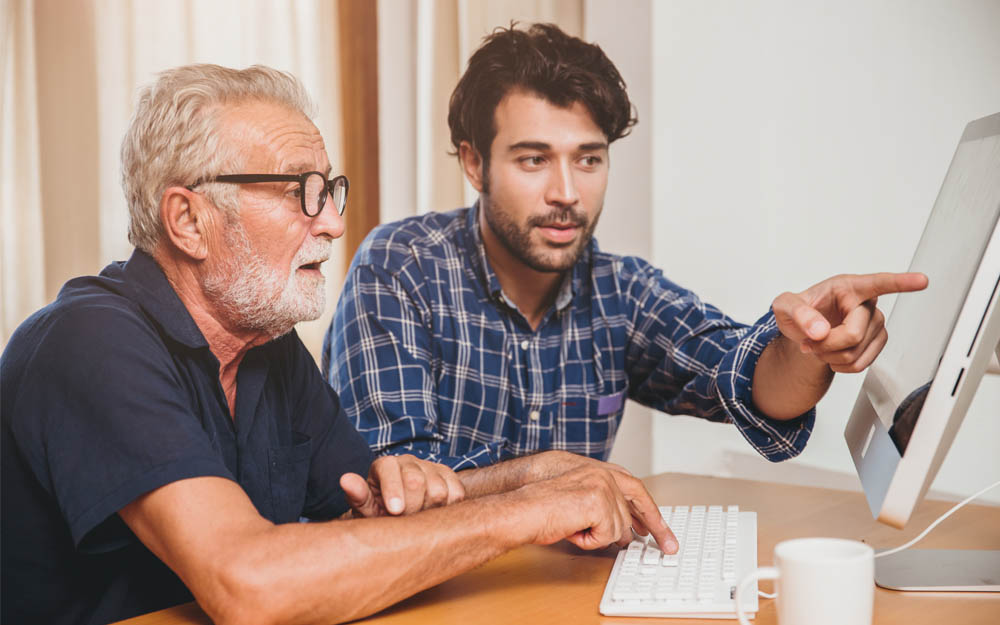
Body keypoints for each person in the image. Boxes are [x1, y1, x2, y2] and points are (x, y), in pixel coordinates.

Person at [1, 64, 675, 625]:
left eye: (330, 189)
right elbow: (250, 582)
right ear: (189, 220)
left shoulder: (265, 345)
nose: (333, 222)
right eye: (302, 192)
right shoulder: (89, 341)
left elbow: (384, 514)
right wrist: (529, 511)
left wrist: (535, 474)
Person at [324, 23, 927, 477]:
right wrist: (551, 485)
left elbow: (743, 378)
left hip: (555, 597)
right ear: (475, 162)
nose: (566, 193)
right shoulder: (399, 267)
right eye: (533, 159)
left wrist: (809, 348)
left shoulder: (621, 291)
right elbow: (396, 485)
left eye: (588, 159)